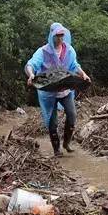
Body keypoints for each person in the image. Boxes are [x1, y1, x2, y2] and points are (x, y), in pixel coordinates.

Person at [25, 23, 91, 156]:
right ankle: (56, 149)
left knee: (72, 116)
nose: (60, 38)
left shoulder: (69, 50)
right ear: (51, 35)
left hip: (65, 90)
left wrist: (83, 74)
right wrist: (31, 74)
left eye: (62, 35)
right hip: (49, 92)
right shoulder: (43, 51)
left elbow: (74, 65)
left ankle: (67, 142)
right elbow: (30, 64)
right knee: (52, 121)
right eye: (57, 35)